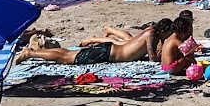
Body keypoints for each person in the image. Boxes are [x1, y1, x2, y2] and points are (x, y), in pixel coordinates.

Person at [22, 26, 164, 66]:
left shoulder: (150, 31)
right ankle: (31, 53)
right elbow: (152, 59)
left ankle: (33, 53)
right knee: (66, 58)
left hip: (109, 50)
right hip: (107, 53)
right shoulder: (151, 35)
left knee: (68, 53)